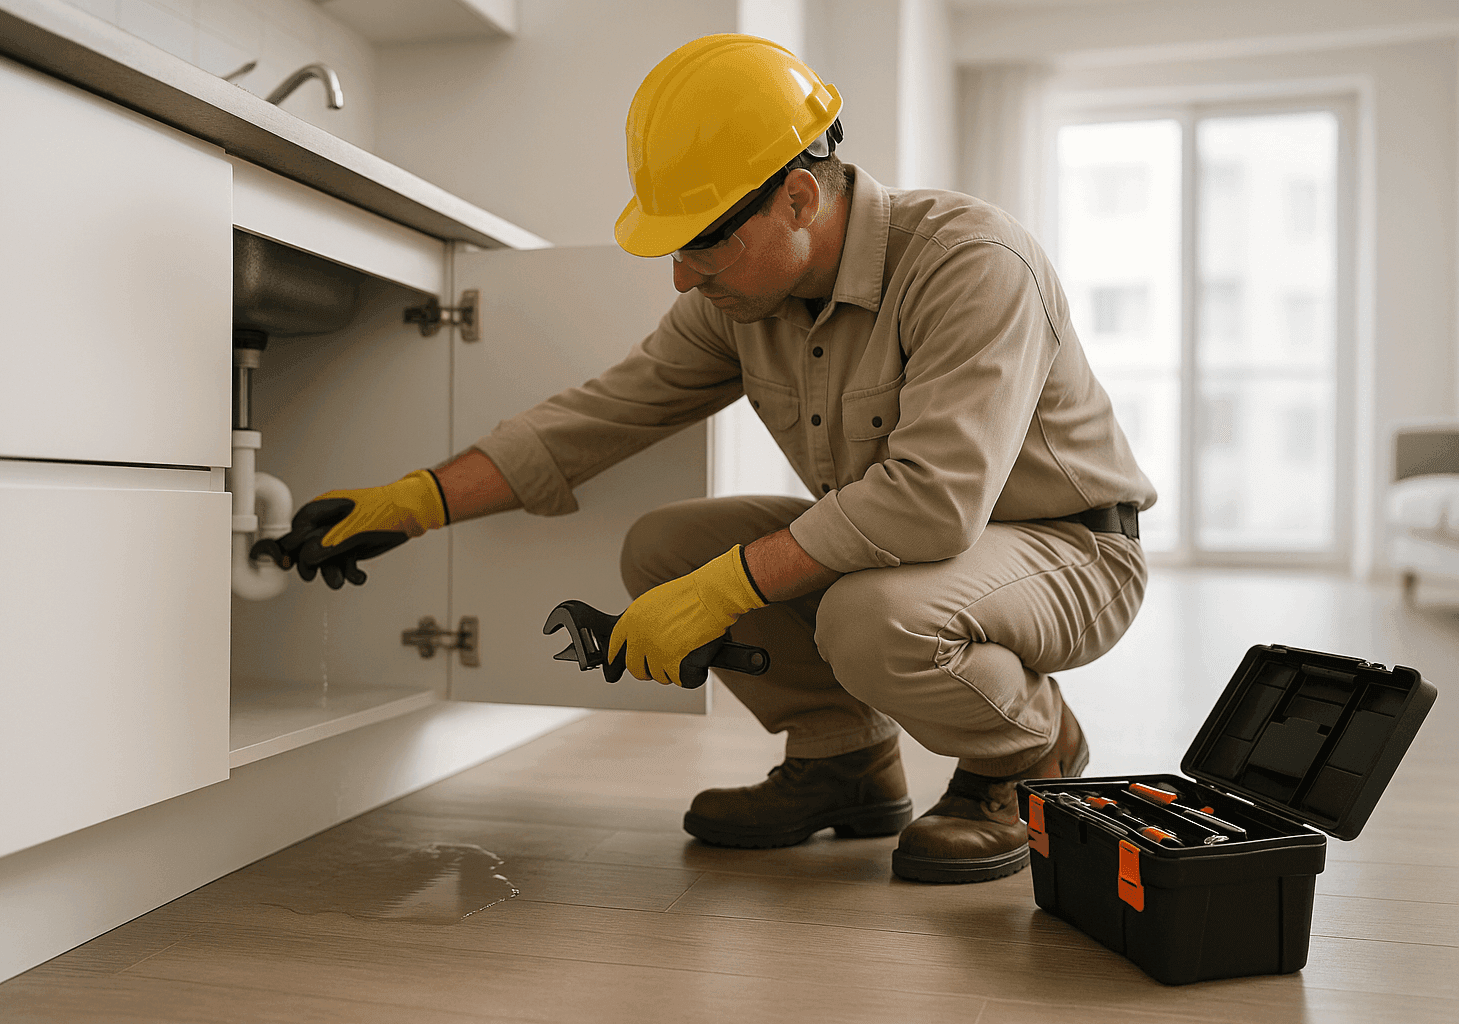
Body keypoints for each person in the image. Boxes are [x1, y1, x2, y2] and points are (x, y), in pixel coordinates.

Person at [258, 34, 1156, 884]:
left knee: (870, 614)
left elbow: (932, 503)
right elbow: (600, 416)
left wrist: (720, 594)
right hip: (925, 555)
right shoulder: (741, 299)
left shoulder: (971, 262)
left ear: (799, 200)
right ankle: (844, 761)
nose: (683, 274)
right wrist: (414, 501)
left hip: (1067, 551)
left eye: (699, 241)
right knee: (668, 548)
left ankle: (1031, 753)